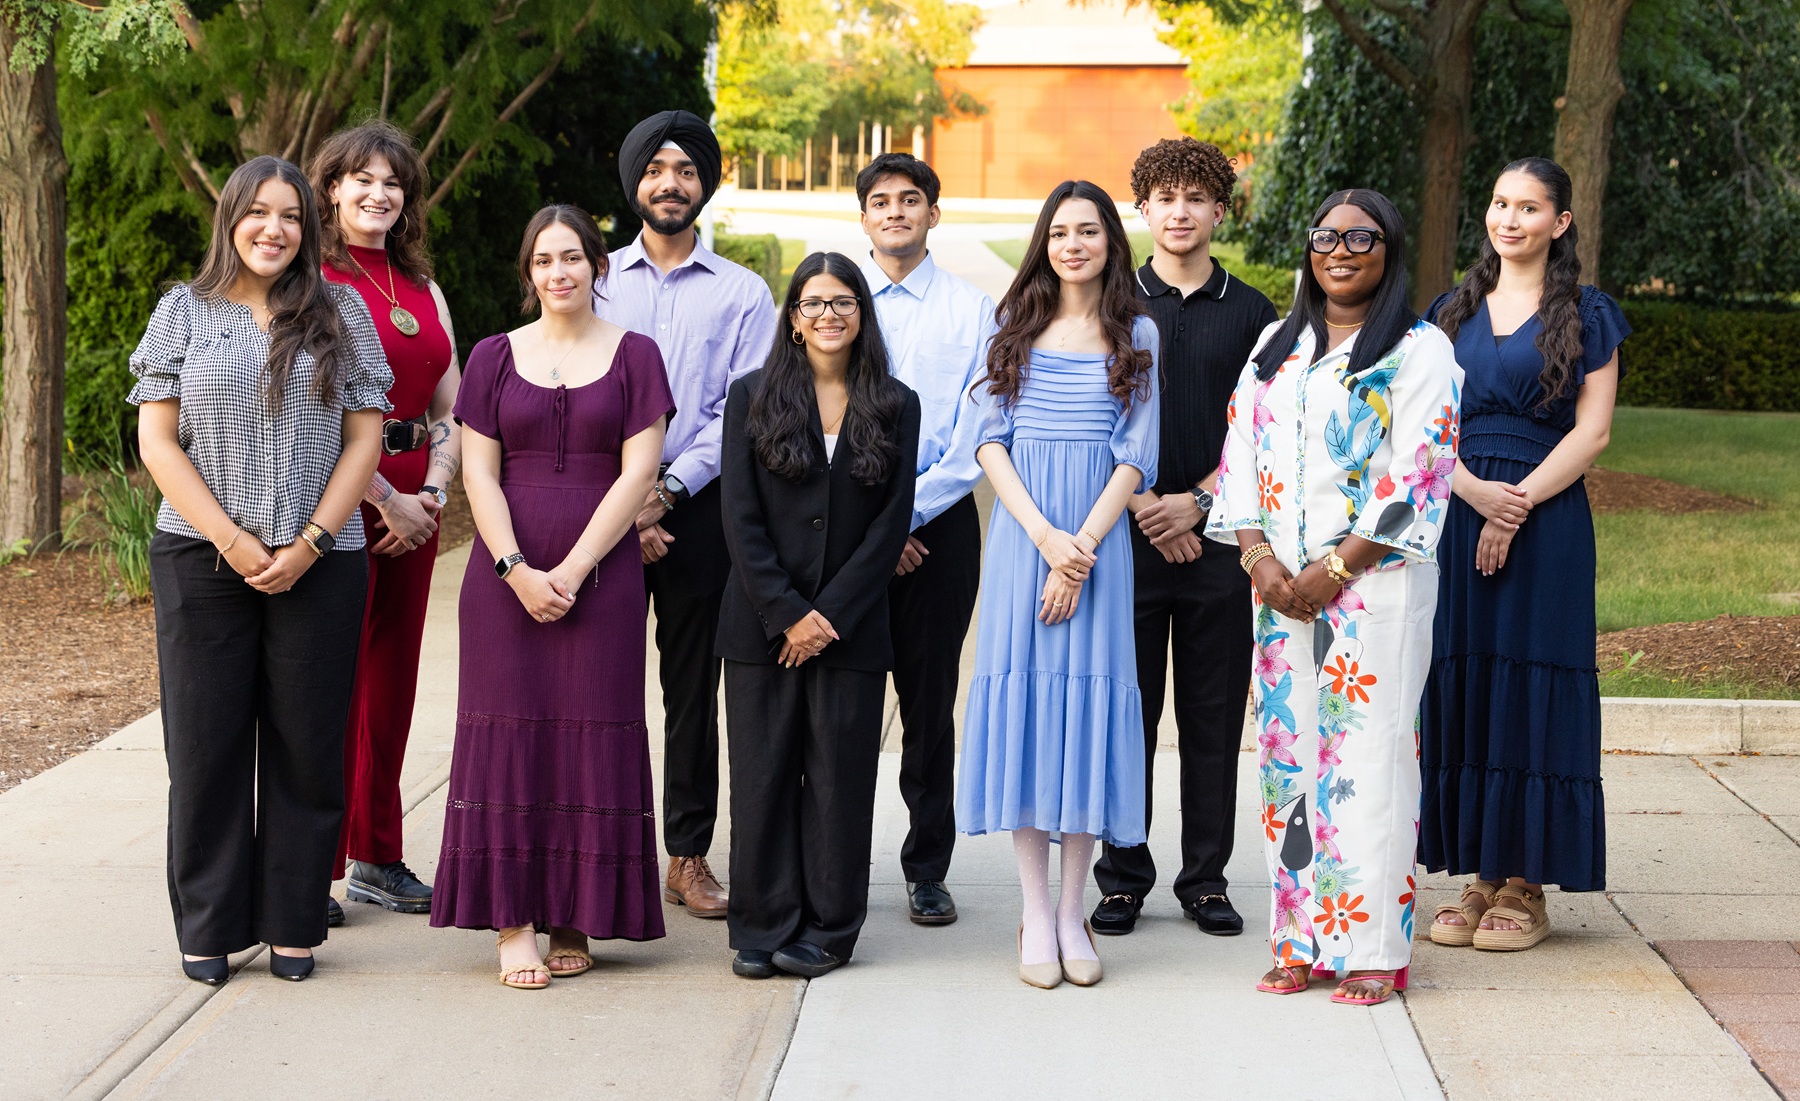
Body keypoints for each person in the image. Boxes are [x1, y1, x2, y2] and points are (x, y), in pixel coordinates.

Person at [131, 155, 392, 985]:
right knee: (205, 749)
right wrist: (234, 541)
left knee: (307, 746)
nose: (273, 228)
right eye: (257, 212)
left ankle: (292, 922)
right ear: (231, 218)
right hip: (201, 559)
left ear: (308, 229)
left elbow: (364, 438)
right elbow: (157, 441)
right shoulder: (184, 312)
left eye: (289, 215)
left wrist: (311, 540)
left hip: (322, 561)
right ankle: (208, 923)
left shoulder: (340, 310)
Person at [1207, 189, 1462, 1006]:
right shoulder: (1273, 347)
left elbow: (1418, 471)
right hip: (1277, 592)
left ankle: (1373, 951)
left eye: (1363, 237)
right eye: (1327, 235)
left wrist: (1335, 569)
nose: (1342, 250)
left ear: (1389, 250)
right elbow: (1238, 451)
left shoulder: (1420, 352)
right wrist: (1258, 559)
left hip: (1375, 590)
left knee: (1370, 758)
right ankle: (1301, 939)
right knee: (1290, 759)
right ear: (1309, 249)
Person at [431, 205, 675, 989]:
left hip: (601, 574)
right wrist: (515, 568)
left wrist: (570, 570)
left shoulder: (637, 356)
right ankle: (512, 920)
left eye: (572, 257)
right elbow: (478, 473)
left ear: (598, 267)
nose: (558, 272)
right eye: (543, 260)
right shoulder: (492, 357)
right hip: (504, 580)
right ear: (528, 272)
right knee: (513, 736)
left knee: (592, 729)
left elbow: (639, 473)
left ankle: (575, 909)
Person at [1419, 157, 1628, 950]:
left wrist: (1518, 504)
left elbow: (1594, 430)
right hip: (1459, 505)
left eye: (1529, 207)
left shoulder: (1590, 312)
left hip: (1548, 519)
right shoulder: (1448, 311)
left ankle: (1527, 884)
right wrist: (1475, 495)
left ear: (1560, 223)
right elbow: (1421, 427)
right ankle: (1478, 874)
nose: (1510, 219)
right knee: (1468, 677)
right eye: (1500, 203)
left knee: (1531, 680)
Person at [956, 180, 1161, 990]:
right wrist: (1044, 538)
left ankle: (1076, 911)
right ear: (1044, 242)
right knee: (1033, 714)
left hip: (1099, 545)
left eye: (1090, 231)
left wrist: (1082, 549)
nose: (1074, 243)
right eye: (1062, 231)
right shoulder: (1012, 327)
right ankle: (1035, 911)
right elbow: (988, 441)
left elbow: (1135, 450)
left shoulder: (1136, 330)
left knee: (1086, 712)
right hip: (1022, 538)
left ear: (1112, 241)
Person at [1091, 137, 1278, 940]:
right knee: (1126, 715)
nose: (1179, 211)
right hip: (1124, 542)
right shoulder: (1107, 302)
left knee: (1209, 721)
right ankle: (1123, 875)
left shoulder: (1254, 313)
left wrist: (1196, 502)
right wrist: (1143, 505)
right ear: (1143, 209)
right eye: (1164, 197)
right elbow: (1088, 419)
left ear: (1218, 211)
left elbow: (1263, 431)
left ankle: (1204, 878)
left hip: (1218, 546)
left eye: (1195, 198)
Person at [595, 110, 779, 920]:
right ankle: (596, 850)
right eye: (655, 169)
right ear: (634, 182)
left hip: (696, 513)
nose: (670, 183)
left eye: (686, 170)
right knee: (593, 686)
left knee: (691, 688)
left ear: (705, 182)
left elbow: (742, 409)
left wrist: (662, 492)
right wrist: (625, 497)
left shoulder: (743, 292)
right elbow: (566, 387)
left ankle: (687, 853)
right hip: (591, 513)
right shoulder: (592, 276)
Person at [718, 252, 921, 980]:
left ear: (862, 314)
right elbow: (739, 518)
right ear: (793, 318)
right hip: (760, 628)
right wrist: (786, 613)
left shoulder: (896, 403)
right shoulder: (751, 396)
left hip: (851, 629)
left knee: (838, 782)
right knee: (763, 775)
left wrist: (826, 615)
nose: (828, 315)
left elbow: (890, 526)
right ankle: (761, 920)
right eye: (813, 303)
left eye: (842, 302)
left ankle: (831, 927)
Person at [309, 119, 462, 924]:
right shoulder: (313, 280)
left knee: (392, 685)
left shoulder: (422, 286)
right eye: (361, 179)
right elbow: (314, 407)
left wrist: (432, 491)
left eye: (393, 182)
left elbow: (451, 400)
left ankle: (377, 852)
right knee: (328, 683)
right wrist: (384, 499)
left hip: (419, 503)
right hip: (340, 497)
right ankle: (314, 861)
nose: (378, 194)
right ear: (331, 188)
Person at [854, 152, 995, 926]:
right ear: (865, 217)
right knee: (843, 699)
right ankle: (836, 857)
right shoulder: (839, 301)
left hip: (938, 534)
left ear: (933, 214)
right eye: (882, 202)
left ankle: (926, 866)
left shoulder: (975, 312)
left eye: (912, 200)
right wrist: (871, 528)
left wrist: (903, 519)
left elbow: (978, 430)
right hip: (843, 535)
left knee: (929, 703)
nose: (897, 212)